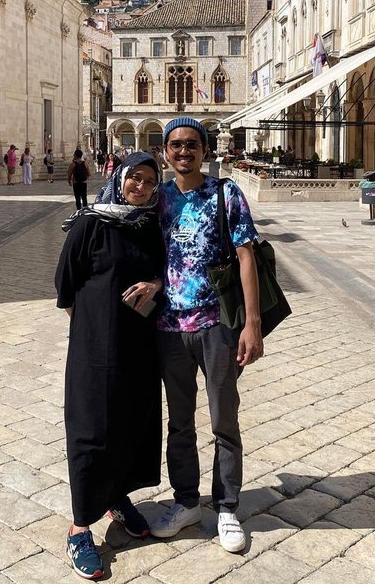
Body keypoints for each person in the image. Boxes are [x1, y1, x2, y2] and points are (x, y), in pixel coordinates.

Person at [150, 117, 263, 554]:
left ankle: (227, 506)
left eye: (191, 144)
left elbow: (246, 256)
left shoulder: (224, 192)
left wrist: (251, 324)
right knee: (179, 422)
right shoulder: (157, 198)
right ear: (165, 151)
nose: (183, 152)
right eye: (175, 145)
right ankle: (185, 502)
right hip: (168, 327)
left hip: (217, 325)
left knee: (223, 420)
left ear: (204, 149)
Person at [55, 152, 165, 580]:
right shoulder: (91, 222)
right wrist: (92, 329)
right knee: (92, 428)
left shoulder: (148, 224)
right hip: (94, 349)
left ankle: (117, 497)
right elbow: (65, 285)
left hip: (138, 345)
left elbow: (162, 272)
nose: (140, 186)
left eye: (149, 181)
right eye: (134, 178)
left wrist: (154, 284)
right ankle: (81, 526)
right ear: (119, 178)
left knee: (130, 421)